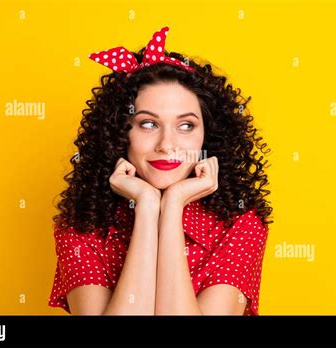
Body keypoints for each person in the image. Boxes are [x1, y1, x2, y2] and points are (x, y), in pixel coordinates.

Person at [48, 26, 273, 315]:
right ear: (120, 132)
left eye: (186, 125)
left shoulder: (241, 225)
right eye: (148, 124)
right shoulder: (80, 228)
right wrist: (147, 206)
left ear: (208, 137)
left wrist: (174, 204)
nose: (167, 145)